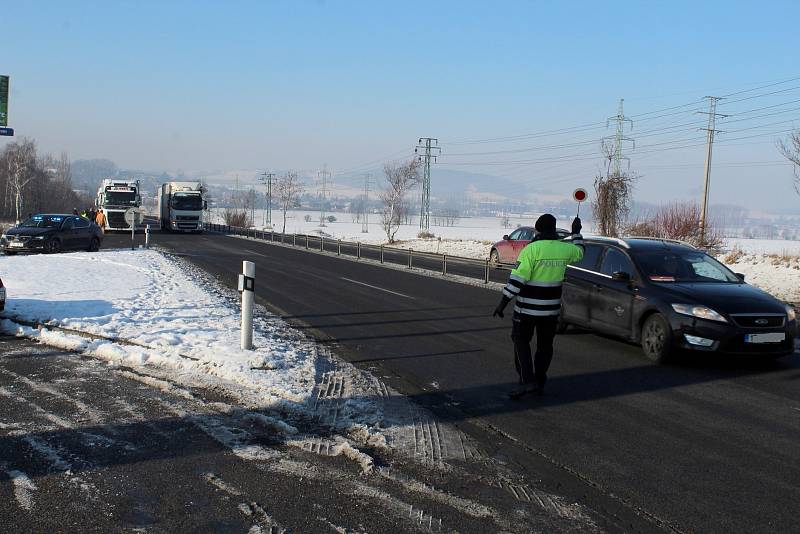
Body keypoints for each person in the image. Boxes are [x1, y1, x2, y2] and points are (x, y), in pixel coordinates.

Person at [493, 214, 584, 399]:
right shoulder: (565, 249)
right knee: (545, 346)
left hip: (526, 309)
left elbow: (517, 280)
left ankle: (527, 381)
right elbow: (581, 251)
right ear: (553, 228)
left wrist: (503, 303)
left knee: (520, 341)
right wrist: (576, 232)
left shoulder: (530, 250)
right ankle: (540, 382)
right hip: (551, 311)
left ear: (538, 229)